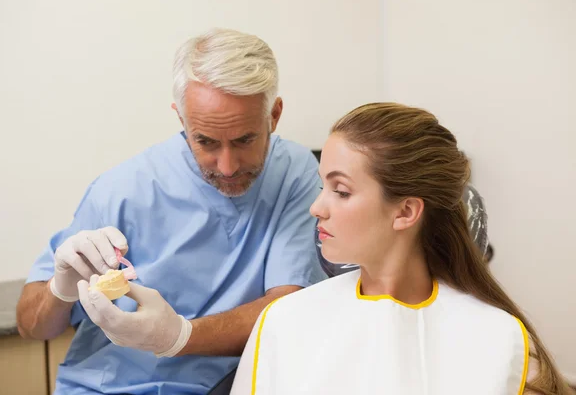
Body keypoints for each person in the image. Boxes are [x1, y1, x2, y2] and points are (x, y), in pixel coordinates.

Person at [16, 28, 327, 394]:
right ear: (181, 119)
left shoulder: (293, 172)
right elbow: (32, 326)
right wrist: (61, 288)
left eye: (245, 140)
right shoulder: (122, 191)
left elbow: (286, 308)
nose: (227, 166)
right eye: (206, 141)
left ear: (273, 116)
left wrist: (179, 336)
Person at [230, 103, 574, 395]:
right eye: (323, 186)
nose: (316, 208)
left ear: (406, 211)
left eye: (341, 191)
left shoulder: (499, 341)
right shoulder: (285, 323)